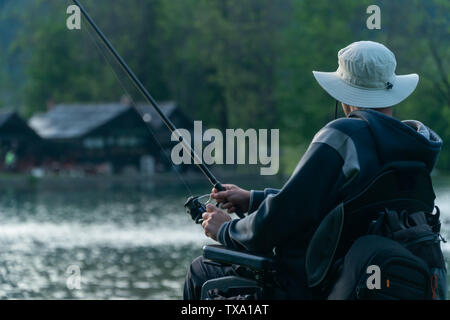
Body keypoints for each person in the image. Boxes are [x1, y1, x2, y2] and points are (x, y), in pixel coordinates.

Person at [183, 41, 443, 300]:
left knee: (201, 271)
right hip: (364, 280)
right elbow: (332, 207)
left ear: (344, 95)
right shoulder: (415, 144)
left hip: (308, 285)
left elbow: (280, 219)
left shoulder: (343, 137)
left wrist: (226, 230)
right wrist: (254, 199)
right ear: (392, 91)